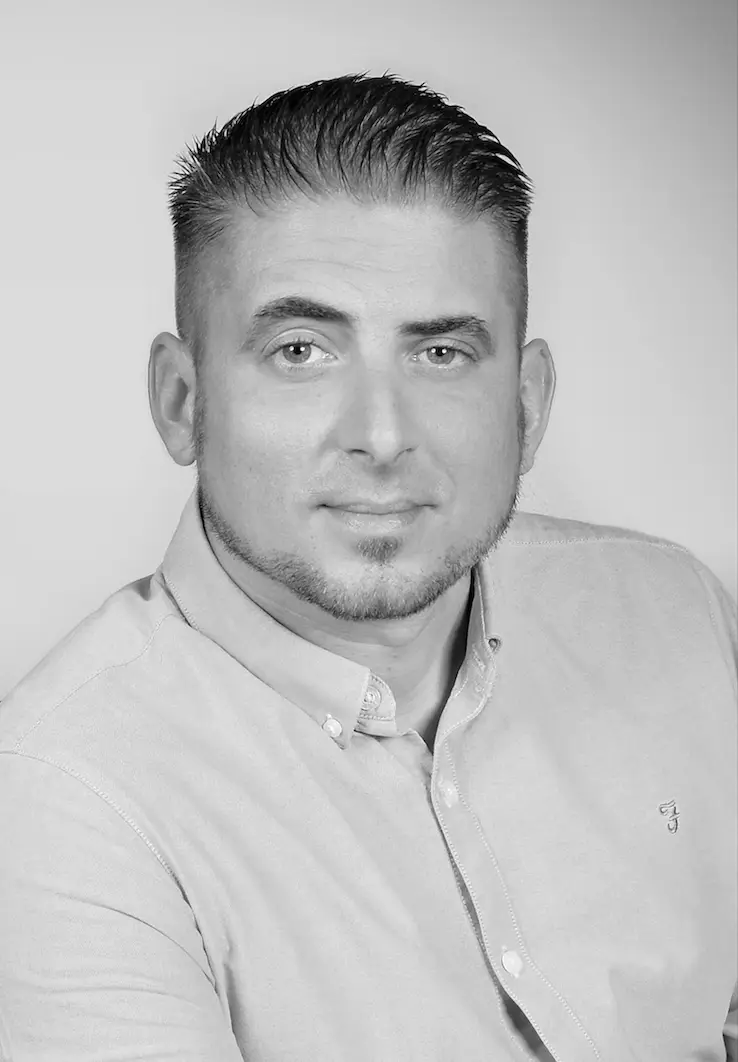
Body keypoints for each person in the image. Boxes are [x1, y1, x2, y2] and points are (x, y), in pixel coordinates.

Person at [0, 72, 735, 1062]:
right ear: (182, 402)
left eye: (441, 354)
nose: (382, 436)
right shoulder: (66, 798)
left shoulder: (675, 613)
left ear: (526, 407)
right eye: (301, 350)